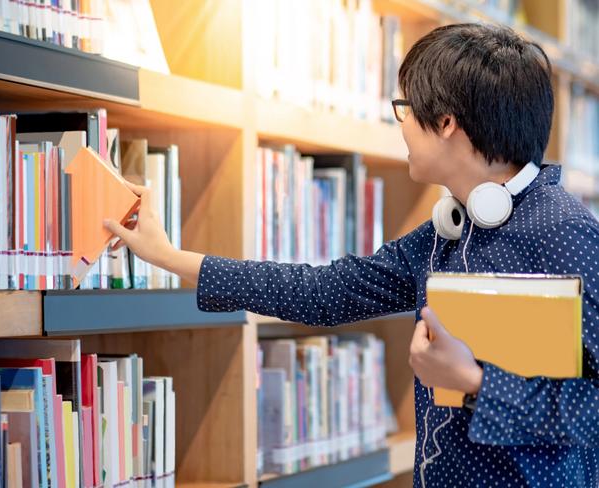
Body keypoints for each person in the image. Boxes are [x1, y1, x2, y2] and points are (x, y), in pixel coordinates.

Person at [104, 23, 599, 488]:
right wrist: (169, 257)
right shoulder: (451, 230)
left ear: (446, 121)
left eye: (406, 107)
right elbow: (325, 293)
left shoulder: (564, 233)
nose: (400, 123)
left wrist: (472, 382)